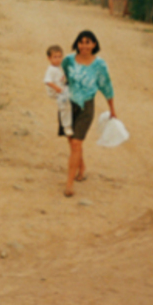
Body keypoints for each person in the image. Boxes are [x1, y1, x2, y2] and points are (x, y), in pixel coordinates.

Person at [60, 30, 116, 197]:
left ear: (94, 44)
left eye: (88, 42)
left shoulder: (99, 65)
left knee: (76, 143)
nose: (84, 46)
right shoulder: (68, 60)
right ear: (77, 44)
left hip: (86, 106)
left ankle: (69, 184)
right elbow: (63, 76)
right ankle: (81, 167)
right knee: (72, 142)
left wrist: (112, 109)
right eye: (81, 42)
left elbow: (106, 86)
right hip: (68, 106)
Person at [44, 45, 73, 137]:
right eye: (55, 57)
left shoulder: (58, 68)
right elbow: (47, 81)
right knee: (65, 107)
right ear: (49, 58)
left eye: (59, 57)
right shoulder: (51, 69)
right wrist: (56, 88)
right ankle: (66, 127)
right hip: (57, 92)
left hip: (62, 89)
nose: (57, 59)